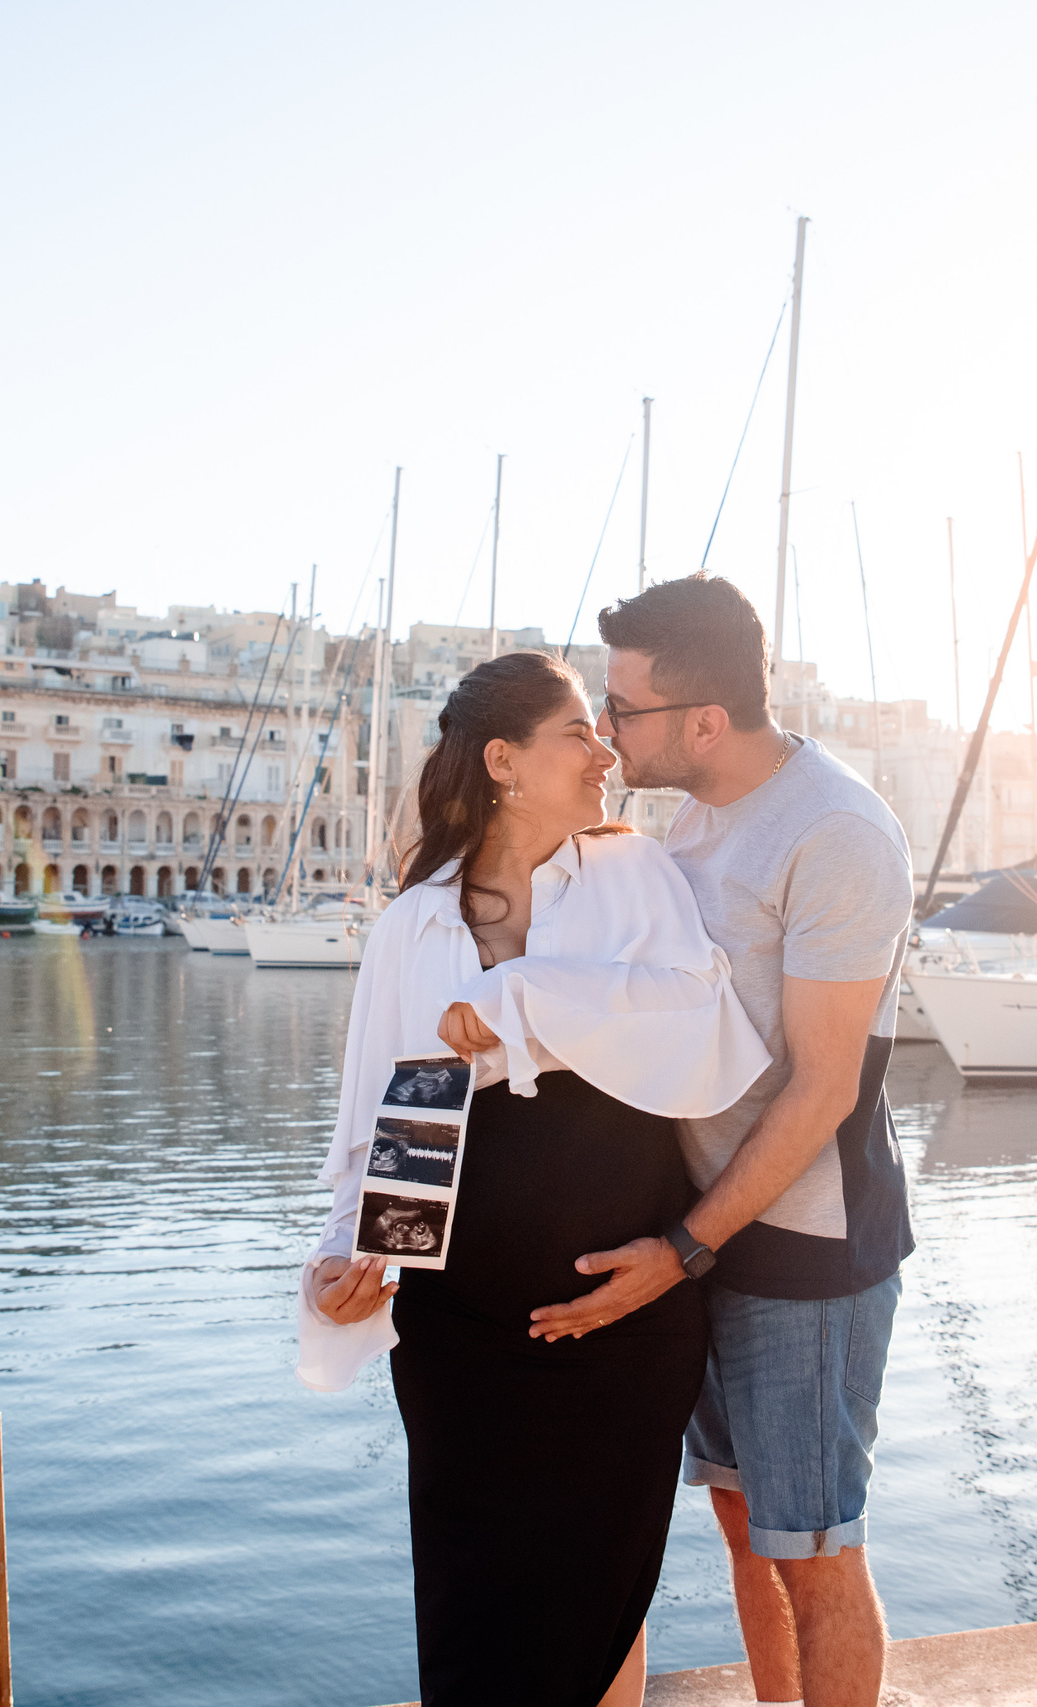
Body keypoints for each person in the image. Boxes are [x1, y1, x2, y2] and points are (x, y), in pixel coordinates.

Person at [296, 649, 769, 1707]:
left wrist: (523, 996)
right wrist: (343, 1254)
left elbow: (701, 1024)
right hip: (457, 1337)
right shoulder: (411, 923)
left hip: (622, 1320)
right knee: (472, 1612)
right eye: (575, 735)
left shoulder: (634, 874)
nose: (603, 750)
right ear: (503, 760)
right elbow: (377, 1118)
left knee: (601, 1603)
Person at [539, 573, 916, 1707]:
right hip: (702, 1230)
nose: (608, 733)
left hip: (802, 1248)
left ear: (705, 720)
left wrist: (685, 1250)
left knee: (817, 1552)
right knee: (747, 1529)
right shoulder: (695, 810)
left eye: (625, 710)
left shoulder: (837, 833)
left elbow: (821, 1089)